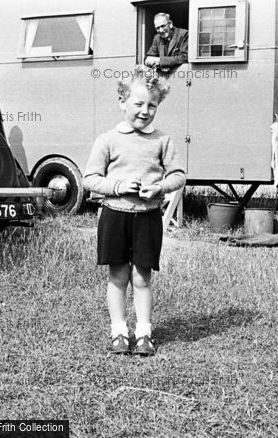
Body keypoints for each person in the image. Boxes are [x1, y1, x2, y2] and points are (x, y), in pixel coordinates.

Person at [83, 66, 186, 356]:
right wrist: (117, 186)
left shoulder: (162, 140)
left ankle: (143, 333)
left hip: (147, 218)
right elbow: (89, 179)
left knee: (142, 277)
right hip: (114, 215)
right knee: (117, 276)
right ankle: (118, 332)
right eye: (138, 104)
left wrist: (160, 188)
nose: (145, 111)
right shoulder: (107, 140)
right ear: (122, 102)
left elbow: (179, 176)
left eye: (151, 105)